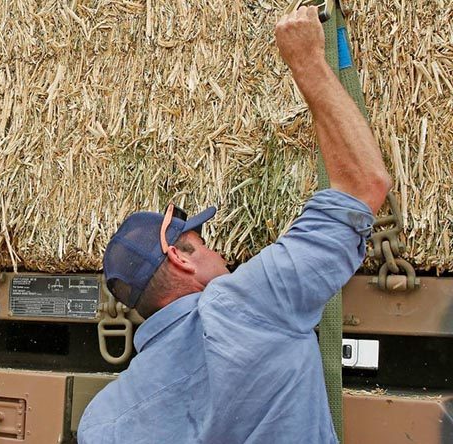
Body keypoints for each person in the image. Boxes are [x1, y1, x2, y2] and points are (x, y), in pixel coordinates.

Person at [78, 6, 392, 444]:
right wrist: (307, 63)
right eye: (200, 243)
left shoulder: (103, 421)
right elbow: (363, 185)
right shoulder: (246, 306)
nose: (218, 253)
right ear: (179, 258)